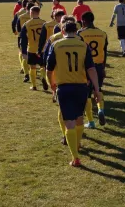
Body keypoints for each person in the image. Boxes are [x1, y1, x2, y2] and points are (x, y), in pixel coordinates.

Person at [46, 21, 101, 167]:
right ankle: (77, 144)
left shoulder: (56, 45)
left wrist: (52, 85)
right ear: (76, 32)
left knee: (68, 122)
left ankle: (75, 157)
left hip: (64, 88)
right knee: (79, 119)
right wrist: (97, 89)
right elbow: (91, 69)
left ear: (63, 31)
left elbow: (49, 69)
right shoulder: (83, 46)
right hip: (81, 88)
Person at [78, 11, 108, 128]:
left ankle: (91, 122)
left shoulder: (81, 33)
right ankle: (101, 110)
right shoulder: (102, 33)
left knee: (87, 95)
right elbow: (105, 52)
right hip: (99, 66)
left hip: (87, 67)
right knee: (98, 89)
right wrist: (104, 67)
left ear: (84, 21)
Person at [20, 6, 47, 91]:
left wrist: (23, 51)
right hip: (42, 49)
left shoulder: (27, 24)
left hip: (31, 48)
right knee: (43, 66)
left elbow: (23, 39)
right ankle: (43, 77)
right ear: (39, 13)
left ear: (31, 13)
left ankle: (34, 85)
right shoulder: (44, 23)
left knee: (33, 67)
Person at [39, 9, 66, 87]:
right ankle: (48, 81)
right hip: (57, 48)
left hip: (49, 47)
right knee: (53, 70)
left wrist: (40, 49)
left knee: (49, 67)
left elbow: (42, 38)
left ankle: (44, 77)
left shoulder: (47, 24)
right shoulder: (64, 26)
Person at [14, 2, 33, 82]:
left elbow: (18, 29)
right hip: (32, 38)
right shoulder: (35, 18)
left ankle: (25, 71)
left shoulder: (21, 17)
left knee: (23, 53)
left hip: (22, 37)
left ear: (26, 8)